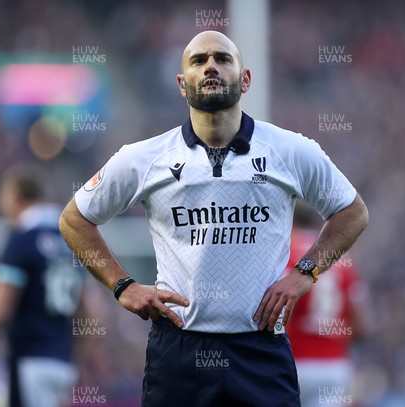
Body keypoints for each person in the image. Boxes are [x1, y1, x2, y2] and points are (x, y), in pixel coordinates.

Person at [59, 30, 369, 406]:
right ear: (181, 84)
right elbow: (75, 220)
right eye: (198, 60)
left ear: (245, 79)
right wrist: (123, 286)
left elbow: (352, 212)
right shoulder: (144, 157)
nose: (210, 66)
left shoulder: (291, 150)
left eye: (222, 59)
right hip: (179, 351)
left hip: (261, 349)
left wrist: (305, 272)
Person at [0, 170, 83, 407]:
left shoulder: (22, 238)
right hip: (61, 365)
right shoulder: (70, 241)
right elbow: (90, 311)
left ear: (15, 197)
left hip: (28, 363)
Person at [286, 202, 371, 407]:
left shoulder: (285, 253)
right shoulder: (339, 257)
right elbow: (363, 325)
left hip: (294, 366)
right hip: (335, 369)